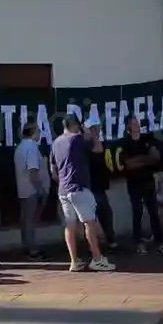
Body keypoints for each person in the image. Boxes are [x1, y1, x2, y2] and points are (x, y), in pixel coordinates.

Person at [49, 114, 116, 272]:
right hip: (79, 188)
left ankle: (74, 261)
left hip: (63, 190)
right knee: (89, 223)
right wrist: (91, 134)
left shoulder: (56, 143)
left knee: (70, 225)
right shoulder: (77, 139)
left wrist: (64, 182)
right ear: (75, 125)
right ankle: (97, 259)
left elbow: (53, 171)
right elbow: (98, 149)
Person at [122, 115, 163, 255]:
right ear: (128, 126)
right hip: (134, 183)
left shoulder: (147, 139)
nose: (137, 125)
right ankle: (139, 242)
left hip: (148, 181)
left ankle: (160, 243)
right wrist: (145, 159)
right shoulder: (125, 143)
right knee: (137, 212)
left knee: (154, 212)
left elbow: (155, 158)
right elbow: (130, 165)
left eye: (137, 123)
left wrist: (140, 160)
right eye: (133, 123)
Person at [13, 122, 49, 261]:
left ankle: (26, 246)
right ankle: (32, 250)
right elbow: (33, 171)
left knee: (26, 220)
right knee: (30, 221)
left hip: (23, 189)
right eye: (38, 131)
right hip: (32, 190)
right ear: (33, 132)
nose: (39, 134)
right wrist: (40, 189)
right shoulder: (32, 148)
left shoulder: (20, 147)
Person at [85, 116, 118, 253]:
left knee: (106, 214)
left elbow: (108, 163)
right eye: (94, 128)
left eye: (98, 128)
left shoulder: (104, 145)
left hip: (101, 187)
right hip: (89, 188)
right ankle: (94, 246)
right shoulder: (85, 147)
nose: (97, 130)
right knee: (91, 219)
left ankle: (111, 242)